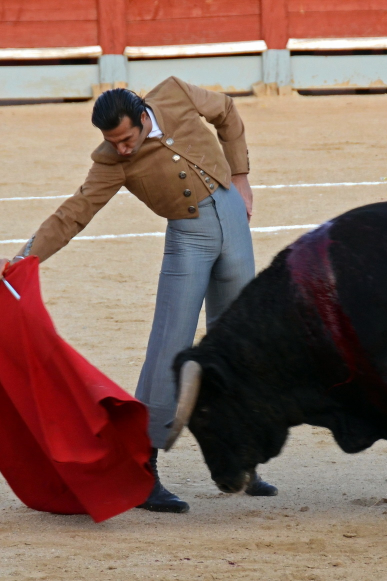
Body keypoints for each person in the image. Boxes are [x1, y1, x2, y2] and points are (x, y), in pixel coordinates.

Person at [0, 77, 278, 513]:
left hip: (233, 223)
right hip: (189, 241)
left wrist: (240, 176)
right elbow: (74, 213)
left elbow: (225, 110)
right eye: (114, 143)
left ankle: (240, 460)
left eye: (127, 139)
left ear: (141, 115)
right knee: (170, 345)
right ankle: (143, 471)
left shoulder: (175, 95)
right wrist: (21, 259)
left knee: (238, 342)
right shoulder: (112, 161)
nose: (123, 149)